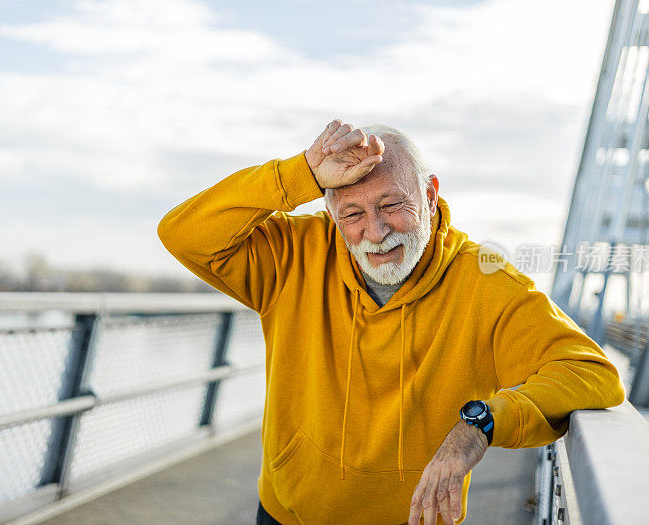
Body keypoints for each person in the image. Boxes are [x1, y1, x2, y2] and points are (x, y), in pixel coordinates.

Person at [157, 120, 625, 525]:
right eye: (353, 215)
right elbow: (183, 234)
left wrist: (479, 426)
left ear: (429, 193)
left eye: (391, 205)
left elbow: (591, 374)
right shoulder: (294, 256)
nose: (376, 233)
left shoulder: (487, 283)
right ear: (330, 213)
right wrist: (299, 172)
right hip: (286, 515)